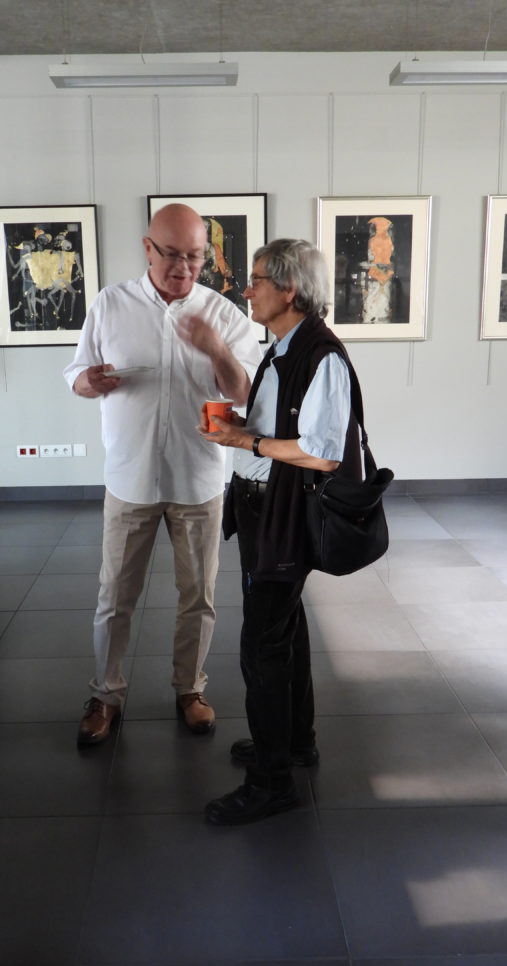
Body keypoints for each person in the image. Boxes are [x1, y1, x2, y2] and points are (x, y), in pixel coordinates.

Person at [63, 203, 261, 746]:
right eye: (172, 255)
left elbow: (245, 393)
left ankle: (190, 689)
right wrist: (88, 382)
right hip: (129, 477)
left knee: (198, 596)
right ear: (147, 248)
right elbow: (76, 373)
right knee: (114, 597)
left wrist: (215, 348)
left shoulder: (223, 313)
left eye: (195, 257)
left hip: (198, 479)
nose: (184, 268)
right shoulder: (111, 303)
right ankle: (105, 694)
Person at [198, 238, 359, 825]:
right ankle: (295, 742)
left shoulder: (321, 356)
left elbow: (323, 453)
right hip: (264, 509)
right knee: (285, 630)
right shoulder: (284, 348)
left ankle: (272, 782)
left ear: (289, 289)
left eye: (258, 279)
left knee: (262, 645)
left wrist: (247, 440)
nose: (247, 290)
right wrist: (243, 427)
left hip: (283, 514)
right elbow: (280, 427)